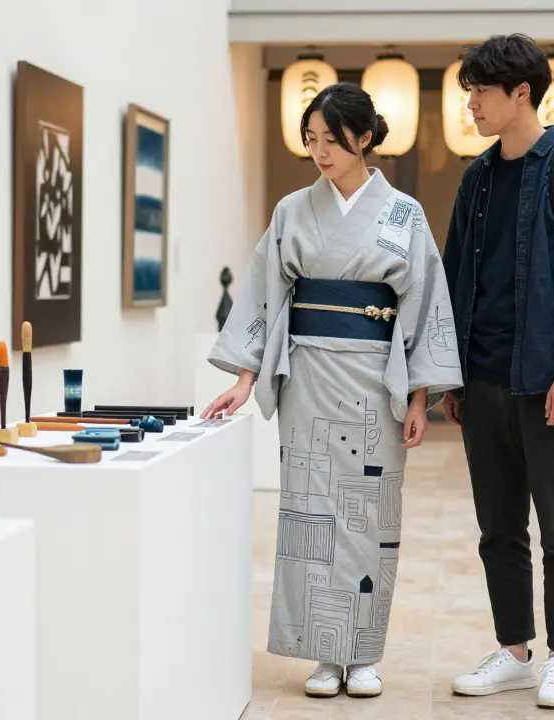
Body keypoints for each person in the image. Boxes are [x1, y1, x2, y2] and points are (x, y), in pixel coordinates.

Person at [201, 82, 462, 699]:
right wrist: (245, 378)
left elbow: (423, 303)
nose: (319, 152)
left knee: (369, 514)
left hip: (376, 379)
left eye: (331, 140)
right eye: (311, 141)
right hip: (309, 377)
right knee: (311, 513)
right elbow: (269, 294)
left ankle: (364, 654)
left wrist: (419, 397)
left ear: (365, 137)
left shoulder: (404, 215)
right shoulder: (293, 210)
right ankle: (324, 653)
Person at [439, 34, 554, 709]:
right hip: (482, 382)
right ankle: (515, 651)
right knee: (498, 528)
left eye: (481, 92)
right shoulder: (476, 179)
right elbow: (458, 279)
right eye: (470, 93)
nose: (473, 105)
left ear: (522, 92)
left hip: (549, 382)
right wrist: (452, 379)